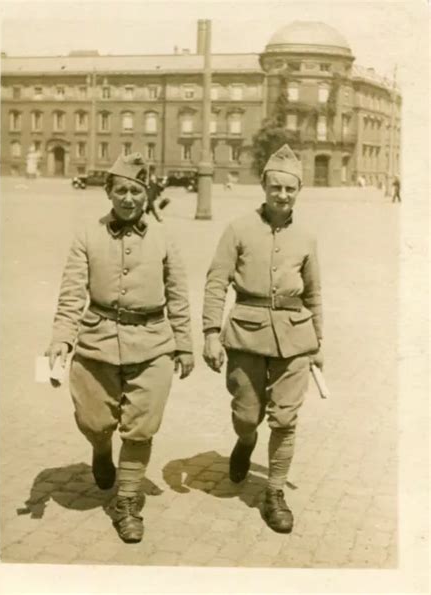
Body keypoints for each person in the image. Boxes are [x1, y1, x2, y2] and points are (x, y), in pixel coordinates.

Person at [46, 152, 194, 543]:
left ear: (147, 195)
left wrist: (184, 345)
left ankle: (127, 501)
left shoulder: (164, 238)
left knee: (141, 428)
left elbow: (178, 295)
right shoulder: (87, 236)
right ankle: (100, 449)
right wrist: (61, 338)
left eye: (137, 191)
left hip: (153, 344)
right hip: (96, 342)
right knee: (95, 422)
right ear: (108, 192)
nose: (129, 198)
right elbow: (72, 292)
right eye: (122, 190)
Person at [202, 144, 323, 534]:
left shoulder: (306, 237)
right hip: (246, 334)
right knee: (246, 416)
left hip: (295, 337)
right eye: (276, 188)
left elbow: (314, 293)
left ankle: (273, 493)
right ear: (264, 187)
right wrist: (209, 333)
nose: (282, 196)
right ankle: (245, 441)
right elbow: (216, 281)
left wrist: (319, 344)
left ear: (298, 191)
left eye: (290, 189)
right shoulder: (238, 229)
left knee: (285, 420)